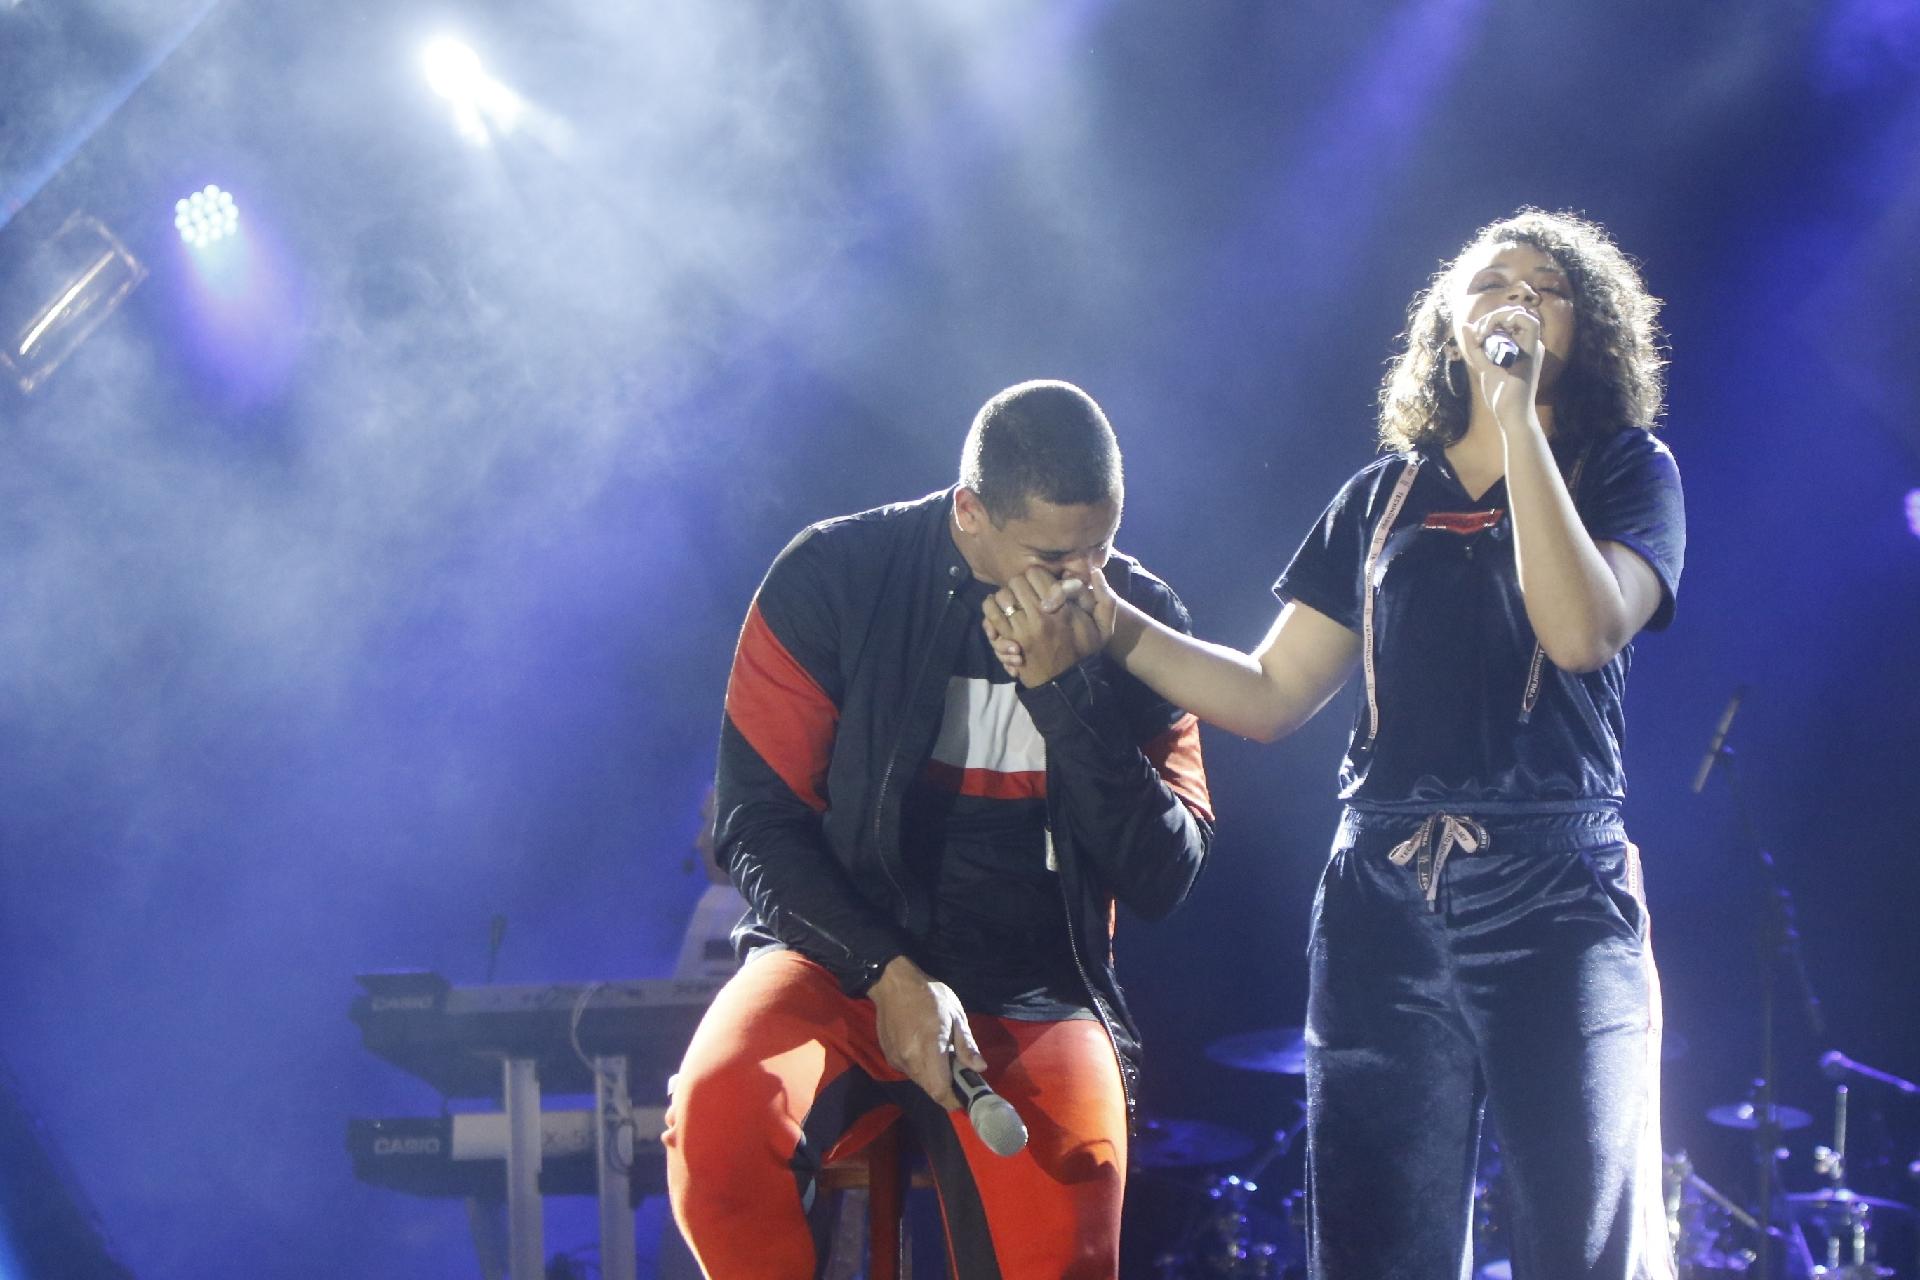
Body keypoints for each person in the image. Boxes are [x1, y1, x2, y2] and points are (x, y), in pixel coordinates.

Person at [989, 210, 1683, 1279]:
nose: (1510, 297)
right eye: (1487, 281)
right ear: (1448, 323)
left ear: (1583, 329)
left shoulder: (1628, 470)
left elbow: (1580, 631)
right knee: (1372, 1240)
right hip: (1383, 894)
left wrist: (1519, 423)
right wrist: (1113, 625)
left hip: (1557, 890)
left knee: (1587, 1237)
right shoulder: (1382, 494)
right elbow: (1269, 695)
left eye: (1541, 287)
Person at [664, 379, 1214, 1278]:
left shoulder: (1132, 618)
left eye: (1100, 551)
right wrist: (884, 974)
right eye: (1050, 555)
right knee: (718, 1127)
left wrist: (1069, 690)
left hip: (1033, 980)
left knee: (1076, 1220)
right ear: (970, 512)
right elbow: (755, 826)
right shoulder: (832, 576)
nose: (1080, 583)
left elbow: (1165, 875)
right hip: (836, 955)